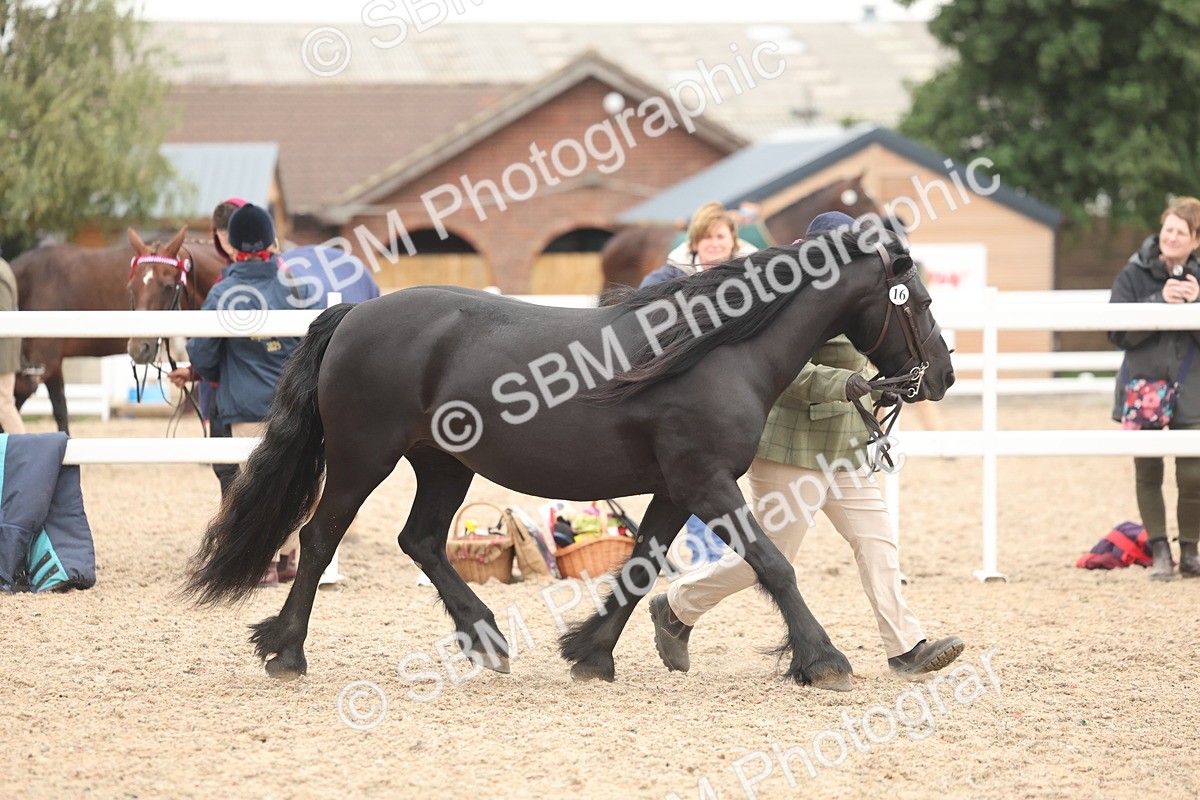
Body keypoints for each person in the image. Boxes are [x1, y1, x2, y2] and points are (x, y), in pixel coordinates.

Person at [647, 211, 965, 677]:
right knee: (765, 559)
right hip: (792, 449)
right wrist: (844, 382)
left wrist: (892, 380)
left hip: (848, 447)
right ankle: (676, 608)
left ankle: (906, 647)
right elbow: (777, 369)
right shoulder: (791, 300)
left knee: (878, 544)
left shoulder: (863, 293)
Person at [169, 203, 313, 585]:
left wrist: (209, 369)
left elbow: (202, 352)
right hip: (294, 402)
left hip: (245, 404)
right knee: (294, 479)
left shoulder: (225, 291)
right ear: (270, 239)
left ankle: (262, 562)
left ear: (232, 245)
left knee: (254, 483)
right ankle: (289, 558)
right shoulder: (296, 286)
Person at [641, 201, 760, 564]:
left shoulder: (757, 278)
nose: (713, 243)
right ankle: (704, 555)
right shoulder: (664, 279)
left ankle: (718, 556)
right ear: (694, 242)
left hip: (734, 397)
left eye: (720, 236)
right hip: (682, 398)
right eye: (705, 237)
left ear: (732, 240)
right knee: (697, 472)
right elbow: (636, 319)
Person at [1108, 196, 1200, 580]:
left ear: (1195, 239)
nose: (1172, 237)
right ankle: (1159, 548)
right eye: (1168, 229)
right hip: (1142, 386)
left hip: (1192, 387)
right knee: (1147, 472)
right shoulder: (1133, 273)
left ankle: (1191, 549)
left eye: (1181, 232)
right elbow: (1116, 331)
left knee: (1193, 473)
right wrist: (1157, 302)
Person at [202, 198, 246, 499]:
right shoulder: (223, 278)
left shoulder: (225, 286)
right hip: (226, 381)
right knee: (224, 464)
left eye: (229, 233)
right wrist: (194, 371)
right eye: (220, 234)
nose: (225, 242)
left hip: (242, 384)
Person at [0, 250, 26, 434]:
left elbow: (3, 312)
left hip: (4, 350)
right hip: (6, 347)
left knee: (4, 405)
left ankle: (27, 457)